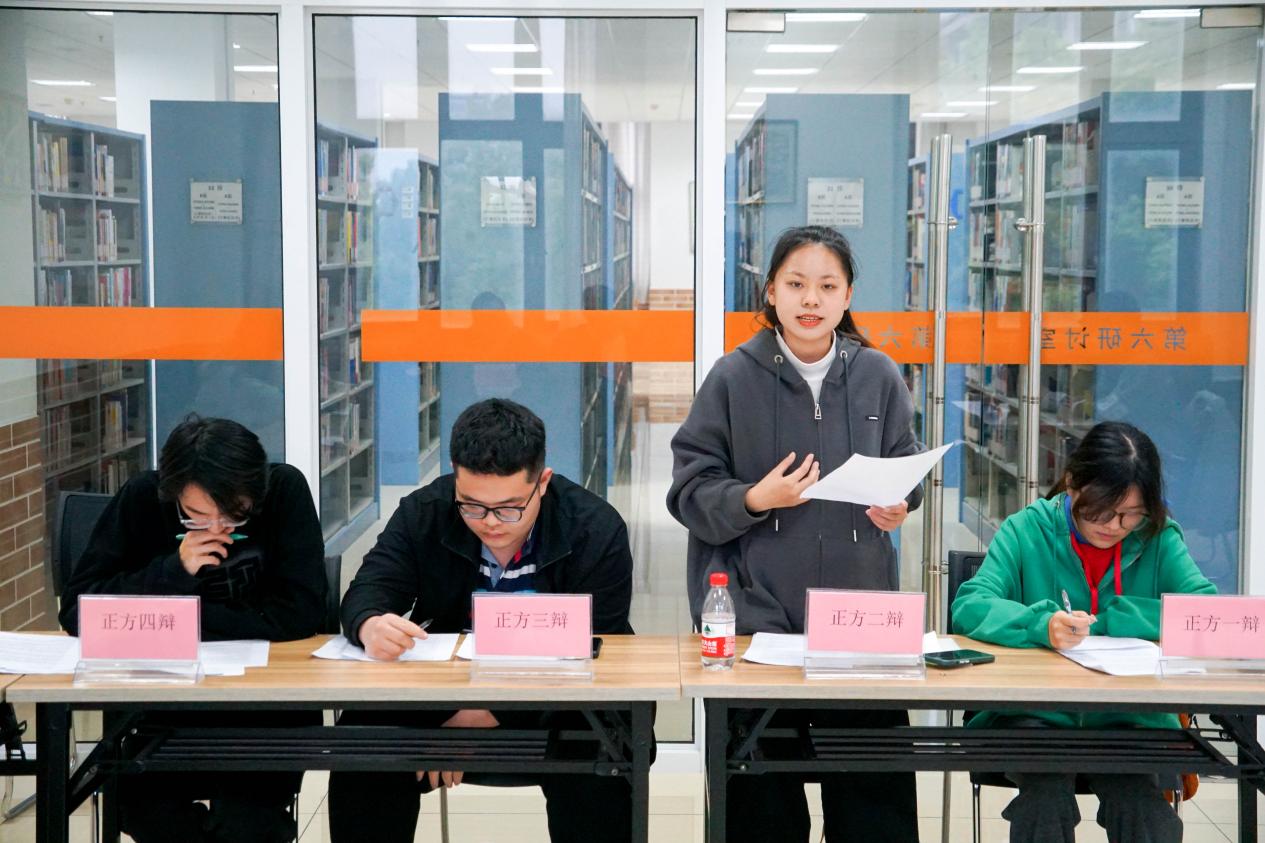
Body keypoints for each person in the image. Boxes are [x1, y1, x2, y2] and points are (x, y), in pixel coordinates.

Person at [667, 225, 923, 842]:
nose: (811, 300)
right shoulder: (732, 377)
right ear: (771, 292)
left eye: (827, 286)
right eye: (797, 284)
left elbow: (906, 467)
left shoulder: (879, 374)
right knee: (762, 809)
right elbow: (689, 491)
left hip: (859, 621)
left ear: (847, 296)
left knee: (873, 808)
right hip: (759, 621)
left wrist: (900, 503)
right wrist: (756, 498)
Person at [327, 398, 636, 843]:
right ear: (455, 477)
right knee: (365, 749)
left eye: (509, 508)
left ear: (542, 482)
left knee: (600, 763)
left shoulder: (594, 527)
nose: (490, 523)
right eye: (471, 506)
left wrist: (484, 713)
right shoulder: (425, 511)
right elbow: (369, 590)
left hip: (558, 703)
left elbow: (601, 645)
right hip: (442, 697)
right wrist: (370, 624)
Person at [60, 415, 327, 843]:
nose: (219, 530)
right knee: (144, 807)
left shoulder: (283, 491)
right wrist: (173, 571)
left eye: (236, 514)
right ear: (174, 493)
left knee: (247, 823)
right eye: (198, 516)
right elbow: (78, 609)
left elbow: (303, 611)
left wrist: (177, 622)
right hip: (160, 713)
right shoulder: (143, 498)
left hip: (266, 711)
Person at [952, 421, 1216, 843]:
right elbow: (970, 604)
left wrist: (1113, 619)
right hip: (1034, 713)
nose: (1115, 526)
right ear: (1073, 484)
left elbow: (1203, 612)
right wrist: (1041, 624)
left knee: (1143, 811)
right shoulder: (1027, 530)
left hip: (1130, 717)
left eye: (1132, 513)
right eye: (1102, 510)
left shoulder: (1159, 538)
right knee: (1044, 803)